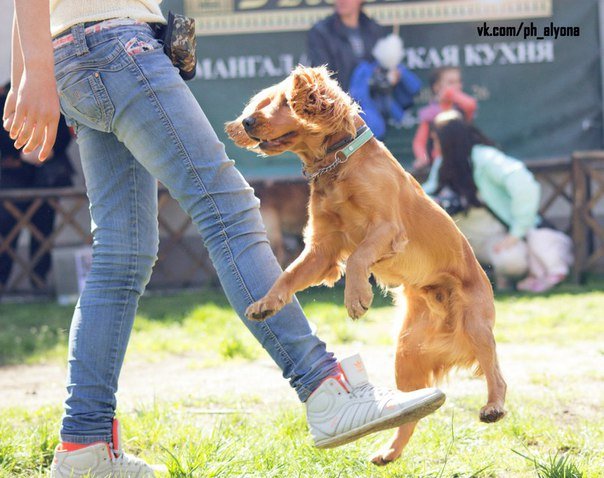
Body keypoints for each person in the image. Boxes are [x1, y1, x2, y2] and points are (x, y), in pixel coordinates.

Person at [4, 2, 445, 476]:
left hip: (74, 57)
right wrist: (31, 76)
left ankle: (84, 447)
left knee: (120, 257)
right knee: (228, 211)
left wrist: (26, 71)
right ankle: (326, 391)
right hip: (116, 48)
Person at [423, 110, 572, 292]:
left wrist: (517, 232)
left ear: (448, 140)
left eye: (437, 139)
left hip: (495, 239)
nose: (434, 145)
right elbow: (425, 197)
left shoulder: (484, 159)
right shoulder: (442, 164)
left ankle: (505, 278)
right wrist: (439, 202)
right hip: (460, 244)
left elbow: (524, 182)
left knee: (511, 261)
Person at [0, 82, 74, 291]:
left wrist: (48, 152)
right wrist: (16, 155)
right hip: (13, 175)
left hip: (46, 175)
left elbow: (62, 132)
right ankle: (3, 283)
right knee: (6, 229)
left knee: (43, 228)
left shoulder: (52, 93)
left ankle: (39, 281)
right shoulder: (6, 95)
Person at [307, 0, 386, 92]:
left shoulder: (374, 29)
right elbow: (322, 78)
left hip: (372, 101)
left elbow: (382, 70)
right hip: (340, 101)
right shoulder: (321, 32)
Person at [412, 67, 477, 170]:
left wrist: (451, 93)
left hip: (465, 163)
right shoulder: (430, 113)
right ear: (437, 87)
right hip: (440, 165)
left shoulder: (463, 108)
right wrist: (422, 158)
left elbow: (471, 105)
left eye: (459, 81)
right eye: (451, 82)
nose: (457, 86)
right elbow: (419, 142)